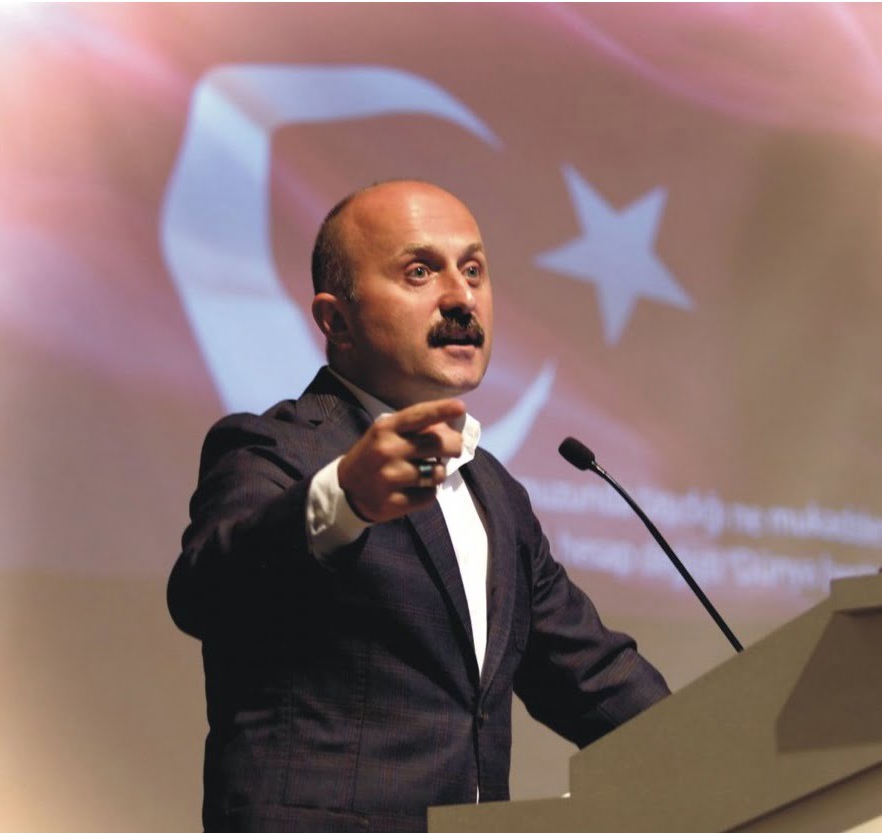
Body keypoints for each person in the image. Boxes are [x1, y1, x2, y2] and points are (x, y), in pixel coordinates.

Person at [168, 179, 670, 833]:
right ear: (335, 320)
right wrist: (344, 498)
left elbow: (593, 676)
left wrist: (743, 749)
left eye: (473, 270)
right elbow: (206, 593)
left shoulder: (496, 494)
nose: (461, 297)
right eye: (419, 271)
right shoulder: (276, 447)